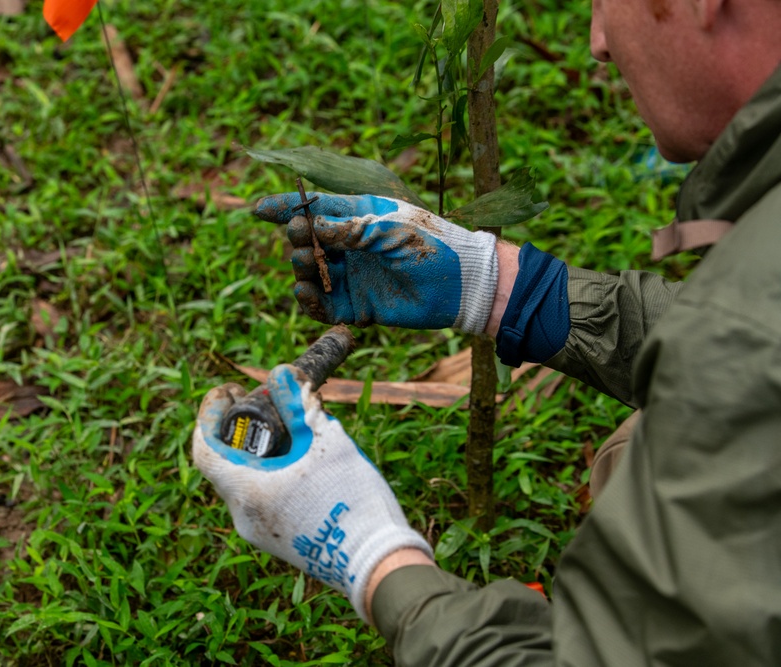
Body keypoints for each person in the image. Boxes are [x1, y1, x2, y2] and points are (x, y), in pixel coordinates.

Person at [193, 0, 781, 662]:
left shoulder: (744, 344)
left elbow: (748, 342)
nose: (598, 43)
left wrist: (370, 555)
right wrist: (505, 287)